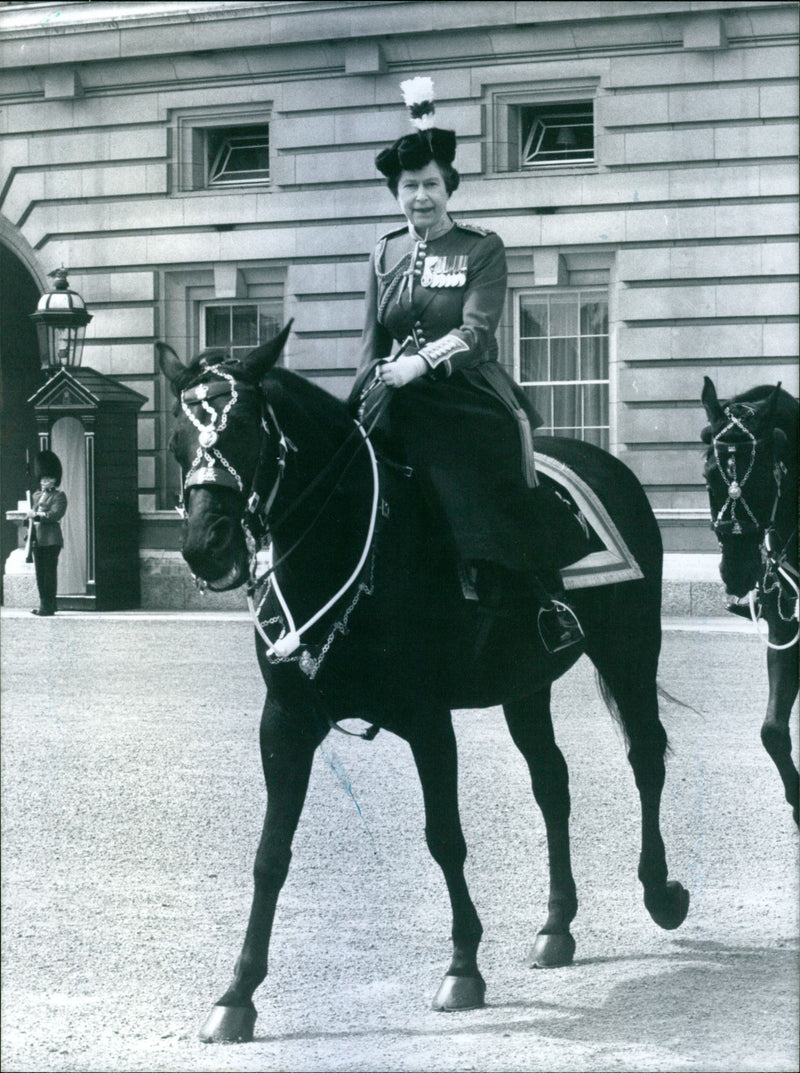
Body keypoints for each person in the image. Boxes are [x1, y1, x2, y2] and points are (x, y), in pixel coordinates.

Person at [349, 77, 591, 652]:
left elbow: (477, 333)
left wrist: (420, 366)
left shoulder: (481, 247)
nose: (421, 198)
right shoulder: (384, 251)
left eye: (431, 184)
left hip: (467, 389)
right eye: (410, 187)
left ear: (448, 188)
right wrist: (361, 395)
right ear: (396, 193)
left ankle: (539, 596)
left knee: (474, 470)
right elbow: (370, 338)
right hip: (391, 390)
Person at [28, 449, 67, 617]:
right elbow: (32, 516)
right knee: (40, 574)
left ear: (55, 480)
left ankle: (47, 606)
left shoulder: (60, 496)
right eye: (43, 478)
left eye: (49, 479)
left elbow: (54, 515)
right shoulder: (36, 495)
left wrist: (37, 514)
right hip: (37, 538)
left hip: (51, 539)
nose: (45, 481)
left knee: (49, 574)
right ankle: (48, 603)